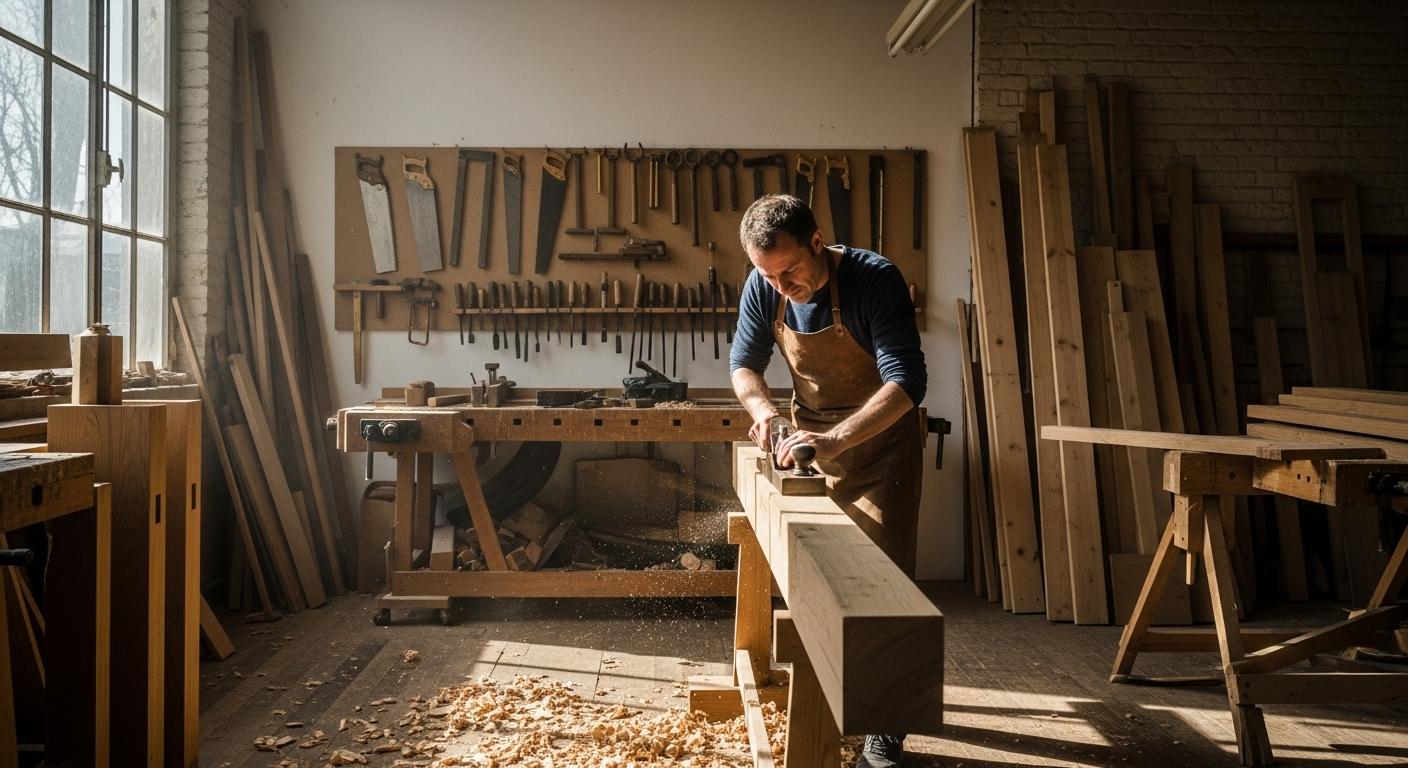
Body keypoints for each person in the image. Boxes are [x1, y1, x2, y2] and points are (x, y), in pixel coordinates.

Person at [729, 194, 925, 768]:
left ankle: (885, 728)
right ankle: (831, 700)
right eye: (768, 275)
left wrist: (838, 439)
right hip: (811, 444)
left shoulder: (873, 279)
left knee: (884, 590)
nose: (781, 286)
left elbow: (908, 381)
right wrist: (765, 412)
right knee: (816, 580)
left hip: (880, 448)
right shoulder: (764, 284)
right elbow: (744, 365)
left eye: (790, 271)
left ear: (818, 242)